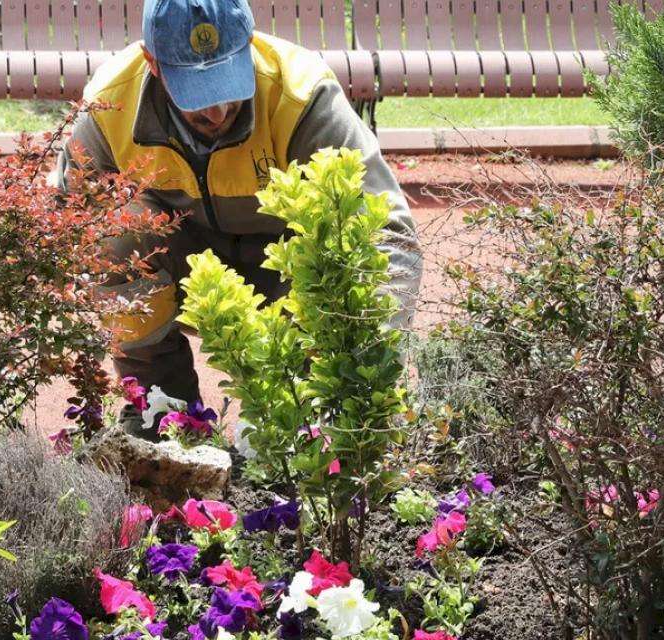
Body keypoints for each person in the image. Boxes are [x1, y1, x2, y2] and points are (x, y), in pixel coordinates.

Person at [50, 0, 422, 438]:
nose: (217, 112)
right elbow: (72, 224)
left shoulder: (302, 94)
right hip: (189, 270)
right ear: (153, 63)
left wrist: (366, 373)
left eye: (228, 84)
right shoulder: (111, 103)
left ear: (248, 44)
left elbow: (388, 236)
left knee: (342, 252)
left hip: (292, 277)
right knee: (110, 236)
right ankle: (160, 408)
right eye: (196, 93)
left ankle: (305, 414)